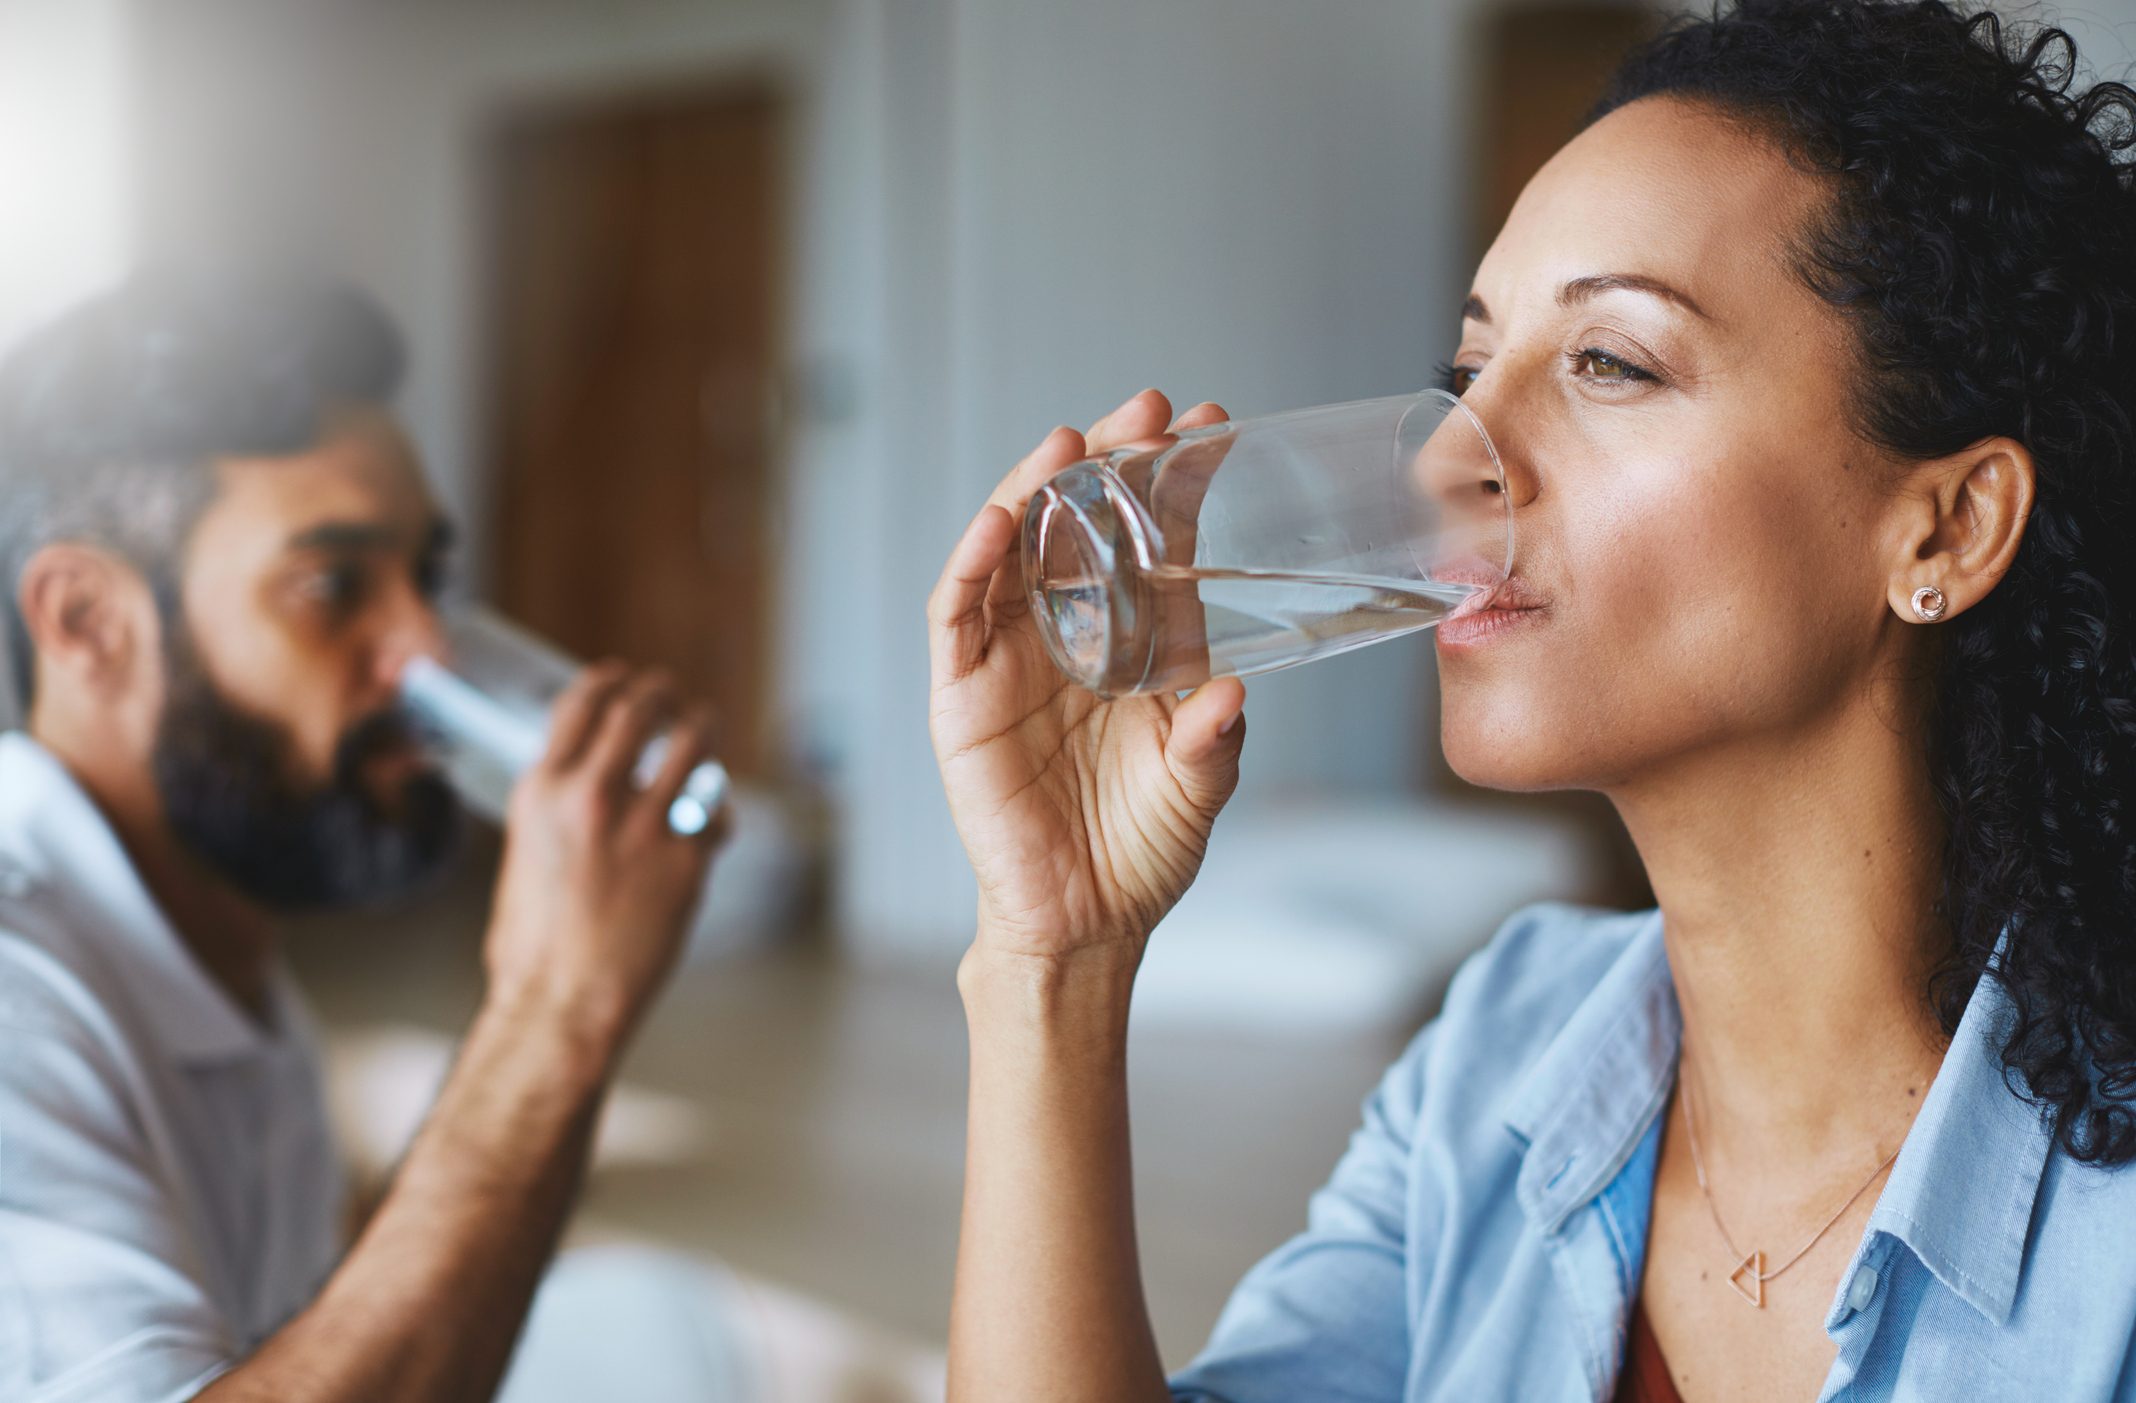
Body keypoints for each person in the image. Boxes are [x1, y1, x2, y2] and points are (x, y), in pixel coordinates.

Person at [928, 1, 2136, 1399]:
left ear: (1946, 529)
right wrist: (1052, 961)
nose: (1454, 459)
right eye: (1468, 368)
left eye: (1609, 362)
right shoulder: (1500, 1050)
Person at [0, 270, 732, 1402]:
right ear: (89, 622)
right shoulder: (16, 995)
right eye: (334, 584)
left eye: (426, 576)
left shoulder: (229, 960)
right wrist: (554, 1009)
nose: (427, 650)